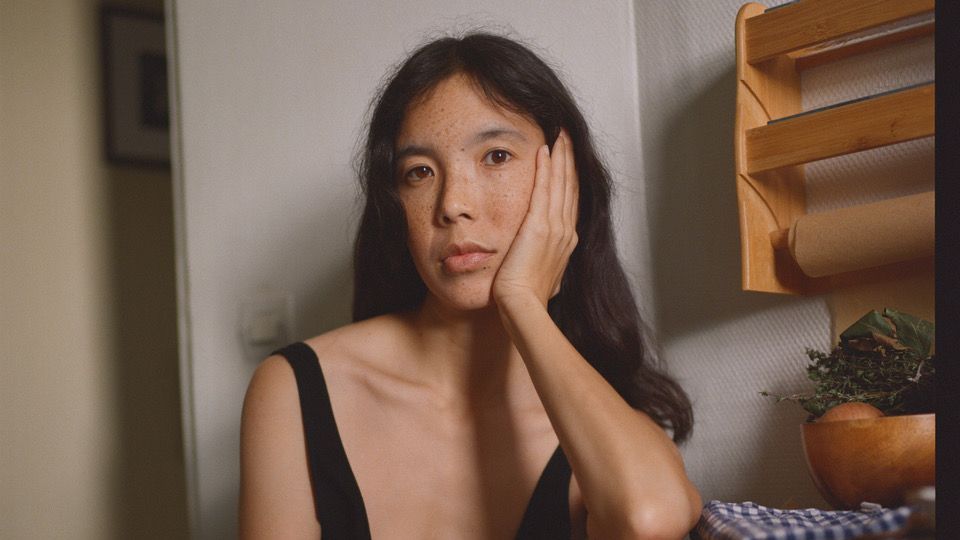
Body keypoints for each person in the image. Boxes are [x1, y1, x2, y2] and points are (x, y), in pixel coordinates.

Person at [240, 32, 701, 539]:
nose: (453, 204)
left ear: (567, 184)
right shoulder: (295, 388)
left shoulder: (594, 420)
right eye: (419, 172)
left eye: (496, 157)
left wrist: (523, 303)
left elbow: (650, 519)